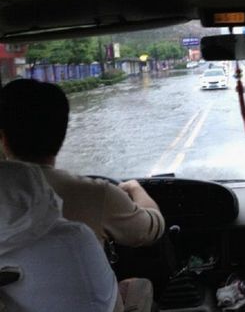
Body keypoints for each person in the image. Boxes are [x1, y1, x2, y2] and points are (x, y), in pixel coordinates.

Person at [0, 78, 165, 248]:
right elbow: (150, 229)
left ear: (3, 137)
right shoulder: (96, 194)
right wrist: (135, 188)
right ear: (63, 133)